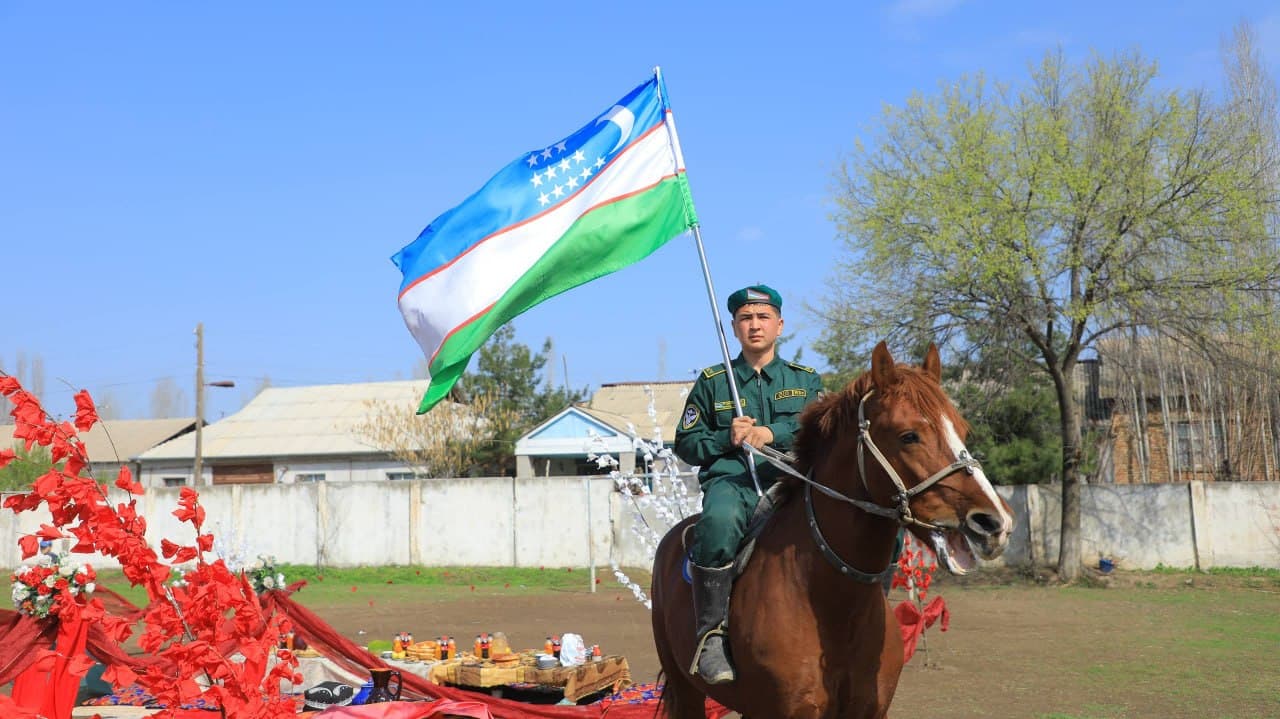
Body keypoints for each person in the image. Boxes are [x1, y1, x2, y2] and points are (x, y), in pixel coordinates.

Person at [674, 284, 824, 684]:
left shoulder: (806, 380)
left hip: (790, 480)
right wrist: (727, 437)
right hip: (734, 481)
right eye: (745, 318)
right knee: (719, 521)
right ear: (734, 327)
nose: (754, 325)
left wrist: (771, 433)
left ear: (779, 325)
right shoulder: (712, 382)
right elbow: (685, 442)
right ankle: (711, 637)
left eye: (762, 317)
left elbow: (823, 427)